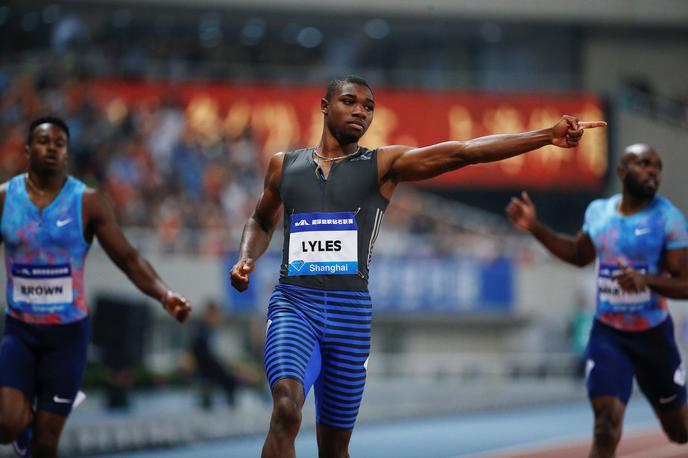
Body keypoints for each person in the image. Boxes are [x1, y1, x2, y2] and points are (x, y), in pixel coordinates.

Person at [230, 75, 605, 458]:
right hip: (296, 304)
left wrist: (545, 135)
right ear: (325, 107)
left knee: (334, 447)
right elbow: (261, 220)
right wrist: (247, 256)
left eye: (369, 106)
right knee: (286, 410)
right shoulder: (284, 166)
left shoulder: (383, 166)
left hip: (350, 315)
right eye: (349, 101)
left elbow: (465, 151)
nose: (361, 110)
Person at [0, 116, 192, 458]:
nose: (52, 148)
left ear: (67, 154)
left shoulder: (87, 202)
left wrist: (164, 294)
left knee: (47, 443)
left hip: (67, 336)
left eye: (60, 144)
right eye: (45, 141)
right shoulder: (4, 199)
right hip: (19, 331)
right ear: (28, 149)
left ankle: (35, 429)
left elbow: (129, 258)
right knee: (6, 424)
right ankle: (23, 425)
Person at [506, 143, 688, 457]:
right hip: (609, 336)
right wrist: (534, 227)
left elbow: (685, 285)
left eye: (657, 167)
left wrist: (647, 280)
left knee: (680, 432)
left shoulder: (669, 220)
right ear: (621, 170)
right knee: (606, 426)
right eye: (644, 164)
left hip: (653, 338)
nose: (652, 172)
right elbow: (579, 255)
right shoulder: (599, 213)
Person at [190, 301, 238, 409]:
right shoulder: (202, 330)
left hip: (207, 368)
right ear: (210, 314)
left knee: (229, 383)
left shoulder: (205, 329)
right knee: (230, 383)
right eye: (216, 315)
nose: (218, 318)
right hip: (206, 369)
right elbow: (202, 354)